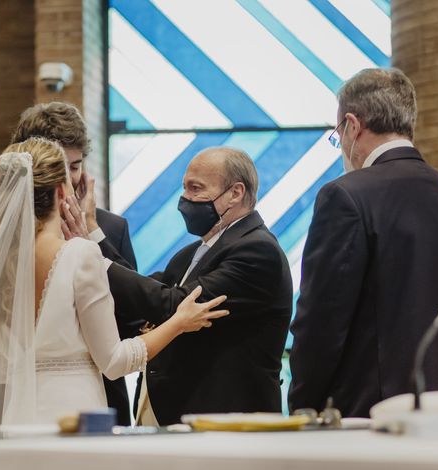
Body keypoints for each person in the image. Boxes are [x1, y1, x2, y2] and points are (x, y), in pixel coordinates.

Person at [0, 137, 228, 424]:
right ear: (62, 191)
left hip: (16, 417)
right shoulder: (80, 254)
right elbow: (114, 362)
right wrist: (179, 323)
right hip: (74, 416)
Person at [289, 68, 438, 418]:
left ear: (352, 125)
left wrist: (302, 402)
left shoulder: (346, 195)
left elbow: (321, 320)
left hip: (367, 414)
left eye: (337, 135)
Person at [92, 147, 293, 426]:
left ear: (235, 193)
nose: (184, 199)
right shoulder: (191, 253)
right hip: (169, 413)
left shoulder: (257, 251)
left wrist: (92, 259)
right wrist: (93, 236)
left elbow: (172, 304)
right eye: (184, 188)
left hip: (221, 421)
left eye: (195, 188)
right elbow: (145, 298)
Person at [8, 101, 138, 425]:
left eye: (76, 166)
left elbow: (132, 318)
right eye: (59, 168)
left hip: (101, 397)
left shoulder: (111, 229)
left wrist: (93, 237)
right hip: (17, 398)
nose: (66, 181)